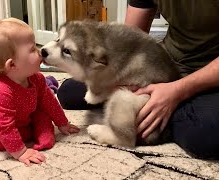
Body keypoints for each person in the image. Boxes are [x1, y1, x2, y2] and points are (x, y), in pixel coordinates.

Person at [57, 0, 219, 159]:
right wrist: (121, 80)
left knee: (205, 134)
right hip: (166, 63)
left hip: (209, 74)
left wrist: (176, 92)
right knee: (68, 92)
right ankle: (150, 113)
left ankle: (156, 119)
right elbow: (130, 39)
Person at [0, 18, 80, 166]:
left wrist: (62, 123)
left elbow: (50, 102)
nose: (40, 51)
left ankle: (33, 132)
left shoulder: (37, 79)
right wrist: (21, 151)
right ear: (12, 64)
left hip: (23, 117)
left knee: (42, 111)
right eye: (32, 49)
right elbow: (4, 127)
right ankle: (26, 134)